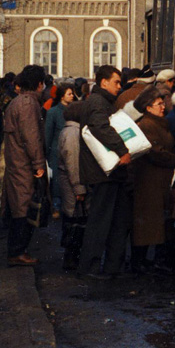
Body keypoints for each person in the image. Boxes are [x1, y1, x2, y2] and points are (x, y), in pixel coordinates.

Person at [77, 65, 132, 280]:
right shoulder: (98, 102)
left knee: (117, 219)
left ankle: (111, 266)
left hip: (110, 171)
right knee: (101, 221)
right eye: (116, 82)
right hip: (104, 171)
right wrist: (122, 150)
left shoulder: (101, 101)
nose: (120, 86)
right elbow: (100, 127)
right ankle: (90, 267)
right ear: (103, 82)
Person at [2, 65, 48, 266]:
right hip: (24, 165)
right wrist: (39, 164)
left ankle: (17, 250)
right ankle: (17, 252)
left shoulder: (17, 102)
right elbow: (32, 138)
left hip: (16, 163)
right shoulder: (29, 104)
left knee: (17, 207)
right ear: (39, 84)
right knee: (24, 208)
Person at [130, 86, 175, 273]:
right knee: (148, 223)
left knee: (152, 222)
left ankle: (143, 260)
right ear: (148, 108)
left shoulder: (157, 122)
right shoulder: (148, 125)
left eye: (162, 103)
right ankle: (139, 261)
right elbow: (154, 152)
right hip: (149, 181)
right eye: (158, 104)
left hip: (157, 181)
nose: (163, 107)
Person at [57, 101, 88, 271]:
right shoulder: (73, 134)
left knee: (73, 221)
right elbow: (73, 164)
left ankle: (72, 258)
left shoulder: (69, 131)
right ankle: (71, 259)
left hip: (69, 184)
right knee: (75, 221)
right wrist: (79, 188)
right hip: (72, 185)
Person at [45, 83, 75, 218]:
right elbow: (48, 134)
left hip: (70, 150)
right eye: (69, 94)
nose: (72, 96)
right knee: (57, 181)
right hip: (56, 152)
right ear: (62, 96)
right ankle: (56, 206)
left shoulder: (75, 110)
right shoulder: (53, 112)